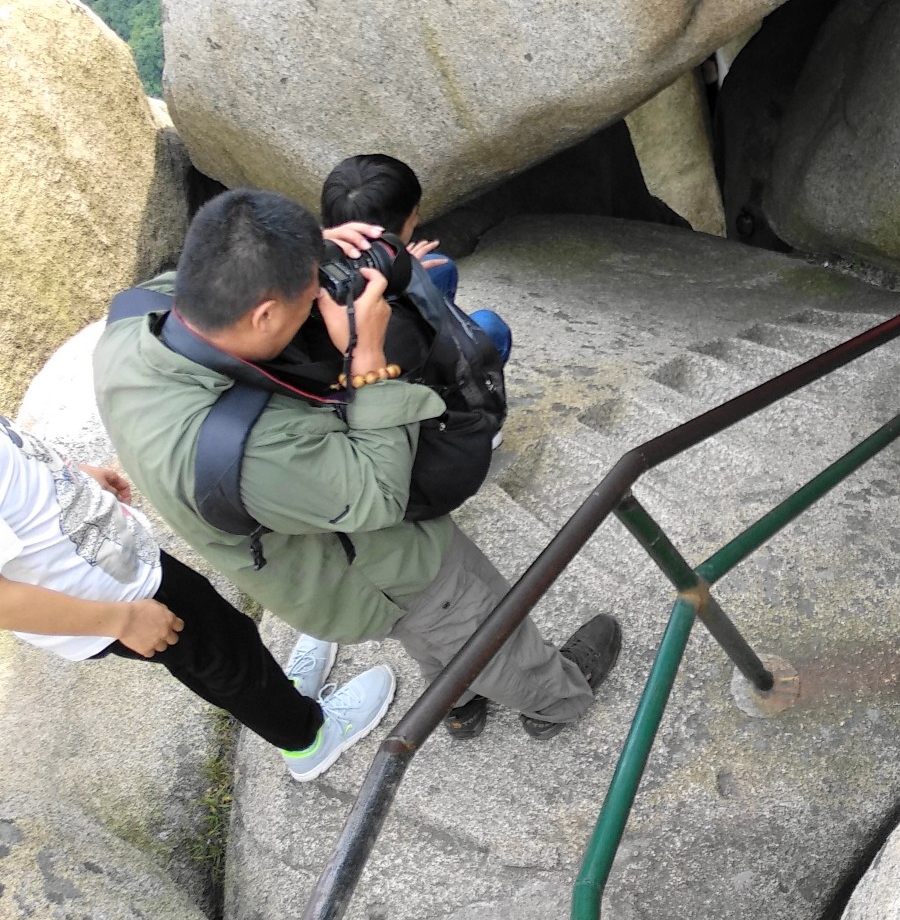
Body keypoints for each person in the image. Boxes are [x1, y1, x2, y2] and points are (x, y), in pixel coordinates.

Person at [94, 189, 621, 745]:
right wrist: (367, 362)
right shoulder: (247, 454)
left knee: (430, 627)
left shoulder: (133, 324)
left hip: (328, 572)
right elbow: (378, 497)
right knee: (468, 613)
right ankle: (556, 700)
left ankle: (457, 702)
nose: (321, 301)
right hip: (373, 568)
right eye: (310, 298)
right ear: (265, 312)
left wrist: (305, 251)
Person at [0, 414, 394, 781]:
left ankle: (282, 699)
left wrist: (75, 478)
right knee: (224, 660)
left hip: (118, 566)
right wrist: (121, 620)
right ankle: (308, 738)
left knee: (223, 643)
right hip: (117, 600)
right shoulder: (122, 610)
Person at [320, 152, 511, 364]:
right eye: (416, 213)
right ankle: (461, 382)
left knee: (441, 266)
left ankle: (441, 325)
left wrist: (400, 267)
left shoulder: (318, 255)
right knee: (491, 326)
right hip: (374, 357)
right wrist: (408, 284)